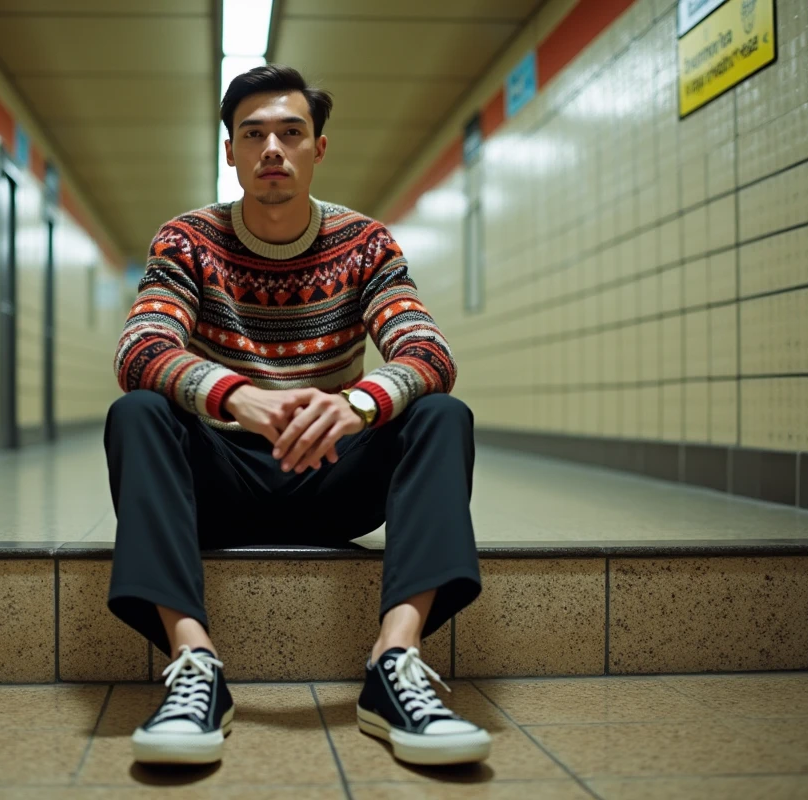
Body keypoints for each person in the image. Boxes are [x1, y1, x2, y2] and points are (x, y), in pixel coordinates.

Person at [105, 64, 489, 768]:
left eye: (291, 132)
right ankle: (195, 667)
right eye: (253, 135)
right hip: (220, 482)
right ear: (230, 152)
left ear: (319, 148)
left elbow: (428, 351)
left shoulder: (364, 242)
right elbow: (141, 347)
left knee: (441, 414)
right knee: (137, 412)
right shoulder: (187, 239)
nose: (273, 149)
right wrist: (237, 396)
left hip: (333, 478)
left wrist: (355, 404)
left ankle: (393, 663)